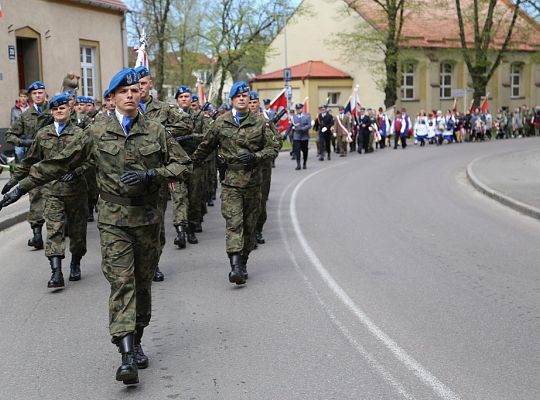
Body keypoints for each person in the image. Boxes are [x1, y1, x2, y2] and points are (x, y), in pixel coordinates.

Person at [0, 68, 192, 385]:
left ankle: (137, 337)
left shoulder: (156, 131)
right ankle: (126, 355)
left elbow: (183, 164)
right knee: (122, 282)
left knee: (142, 284)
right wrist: (20, 186)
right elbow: (60, 162)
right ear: (112, 97)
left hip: (147, 220)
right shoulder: (95, 132)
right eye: (124, 91)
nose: (131, 95)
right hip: (113, 219)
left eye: (135, 90)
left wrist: (152, 176)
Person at [190, 82, 278, 285]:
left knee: (249, 226)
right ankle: (235, 267)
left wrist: (256, 156)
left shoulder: (260, 123)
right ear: (232, 100)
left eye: (245, 96)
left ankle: (244, 261)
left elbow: (273, 148)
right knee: (234, 223)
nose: (241, 99)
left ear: (249, 99)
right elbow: (205, 147)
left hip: (254, 183)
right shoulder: (221, 123)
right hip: (231, 183)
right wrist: (185, 166)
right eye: (238, 96)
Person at [3, 94, 89, 288]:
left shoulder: (80, 134)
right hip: (51, 192)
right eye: (56, 109)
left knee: (77, 234)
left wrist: (77, 171)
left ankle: (75, 262)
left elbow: (90, 161)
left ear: (70, 110)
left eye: (63, 108)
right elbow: (30, 161)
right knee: (54, 230)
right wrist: (14, 181)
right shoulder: (43, 135)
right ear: (52, 112)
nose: (59, 111)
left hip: (76, 192)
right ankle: (56, 272)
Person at [135, 65, 192, 281]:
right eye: (136, 84)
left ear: (150, 84)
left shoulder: (164, 109)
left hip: (156, 173)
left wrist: (162, 133)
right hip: (132, 174)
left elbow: (187, 123)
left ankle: (154, 263)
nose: (140, 88)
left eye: (143, 83)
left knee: (156, 223)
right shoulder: (126, 110)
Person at [5, 80, 52, 249]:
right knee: (36, 196)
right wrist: (25, 143)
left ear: (45, 94)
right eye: (35, 93)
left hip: (55, 161)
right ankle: (37, 234)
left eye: (41, 92)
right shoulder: (25, 116)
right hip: (35, 162)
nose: (38, 96)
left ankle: (63, 227)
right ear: (31, 96)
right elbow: (9, 135)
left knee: (59, 195)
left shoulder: (55, 110)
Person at [248, 91, 282, 245]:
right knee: (247, 203)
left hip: (263, 168)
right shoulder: (239, 121)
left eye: (254, 102)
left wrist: (268, 130)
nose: (252, 105)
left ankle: (258, 229)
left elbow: (277, 142)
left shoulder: (266, 121)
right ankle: (249, 232)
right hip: (246, 168)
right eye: (250, 102)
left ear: (258, 104)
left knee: (261, 201)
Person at [290, 103, 312, 169]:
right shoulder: (293, 117)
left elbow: (309, 125)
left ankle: (304, 163)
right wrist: (286, 134)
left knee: (305, 151)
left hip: (304, 136)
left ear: (302, 109)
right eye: (297, 109)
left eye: (299, 109)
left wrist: (303, 128)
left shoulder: (307, 116)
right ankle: (298, 164)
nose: (298, 110)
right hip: (296, 136)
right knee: (297, 150)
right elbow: (290, 125)